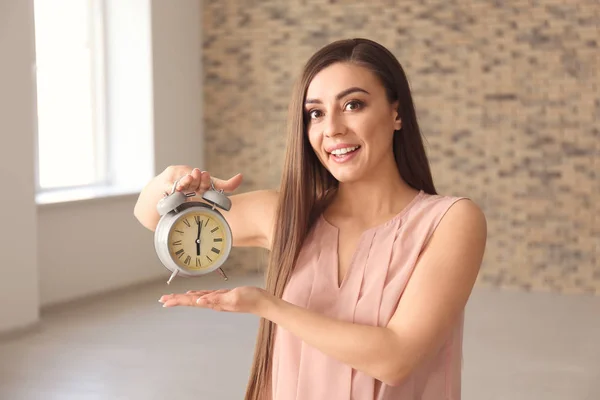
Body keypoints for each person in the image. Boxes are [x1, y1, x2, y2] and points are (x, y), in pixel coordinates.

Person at [134, 38, 487, 400]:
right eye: (315, 113)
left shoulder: (450, 221)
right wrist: (171, 181)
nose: (332, 128)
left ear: (396, 113)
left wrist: (266, 305)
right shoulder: (286, 216)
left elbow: (396, 358)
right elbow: (152, 218)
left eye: (353, 105)